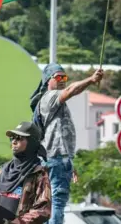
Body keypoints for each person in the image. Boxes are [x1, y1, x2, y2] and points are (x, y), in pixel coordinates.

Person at [30, 63, 103, 224]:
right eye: (58, 77)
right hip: (56, 158)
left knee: (48, 202)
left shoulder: (50, 102)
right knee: (58, 199)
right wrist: (91, 79)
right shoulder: (51, 96)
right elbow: (70, 91)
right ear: (48, 80)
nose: (62, 80)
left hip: (54, 158)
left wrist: (69, 163)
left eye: (64, 77)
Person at [0, 122, 51, 224]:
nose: (14, 141)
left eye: (20, 138)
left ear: (31, 143)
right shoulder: (2, 171)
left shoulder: (39, 174)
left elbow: (43, 210)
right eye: (12, 138)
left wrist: (17, 222)